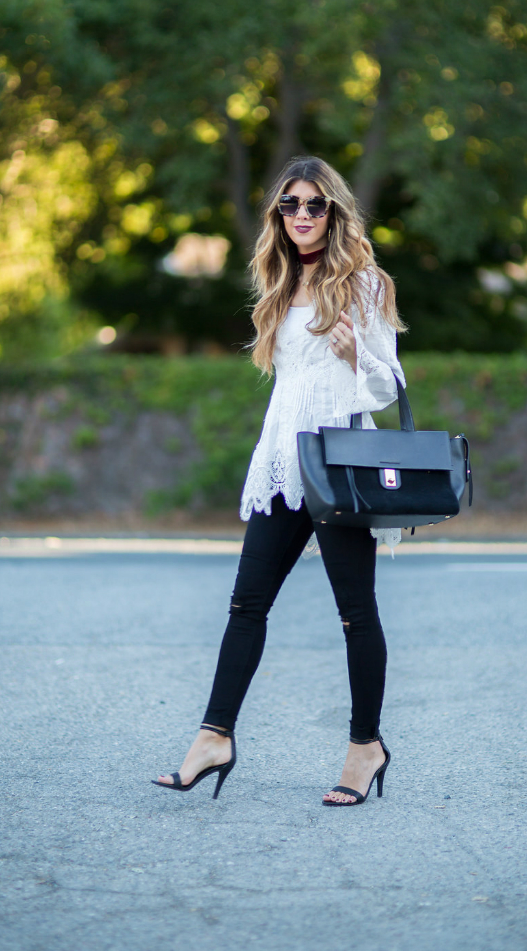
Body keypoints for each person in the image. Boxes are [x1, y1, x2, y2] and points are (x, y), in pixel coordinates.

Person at [152, 156, 407, 806]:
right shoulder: (278, 284)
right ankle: (214, 738)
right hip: (282, 465)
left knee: (355, 614)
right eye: (289, 206)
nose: (301, 215)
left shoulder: (366, 283)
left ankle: (364, 748)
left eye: (314, 205)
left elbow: (388, 384)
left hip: (340, 466)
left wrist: (357, 353)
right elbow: (288, 386)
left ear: (335, 212)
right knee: (246, 603)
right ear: (278, 216)